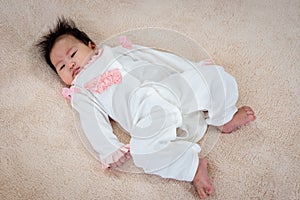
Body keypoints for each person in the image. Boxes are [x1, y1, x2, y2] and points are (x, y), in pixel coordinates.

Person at [36, 17, 256, 199]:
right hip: (147, 117)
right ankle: (192, 166)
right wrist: (109, 148)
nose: (71, 64)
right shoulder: (82, 89)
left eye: (72, 54)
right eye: (61, 66)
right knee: (143, 154)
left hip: (172, 88)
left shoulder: (114, 52)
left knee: (216, 77)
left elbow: (155, 56)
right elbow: (91, 121)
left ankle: (224, 116)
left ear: (92, 46)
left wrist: (191, 68)